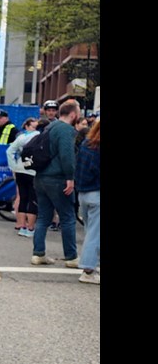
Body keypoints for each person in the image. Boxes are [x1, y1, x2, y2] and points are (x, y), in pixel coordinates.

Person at [30, 99, 81, 267]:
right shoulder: (66, 130)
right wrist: (70, 178)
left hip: (41, 177)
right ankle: (71, 256)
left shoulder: (50, 127)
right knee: (67, 217)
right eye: (78, 112)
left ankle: (38, 253)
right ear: (73, 114)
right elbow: (67, 156)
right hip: (58, 178)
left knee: (43, 217)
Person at [75, 119, 100, 284]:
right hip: (97, 194)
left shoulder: (86, 144)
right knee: (94, 234)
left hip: (84, 193)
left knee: (90, 231)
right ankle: (88, 270)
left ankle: (90, 264)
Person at [5, 117, 39, 237]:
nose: (36, 129)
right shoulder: (38, 137)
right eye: (35, 126)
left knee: (23, 197)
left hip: (20, 169)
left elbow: (9, 151)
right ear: (28, 126)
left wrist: (13, 166)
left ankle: (22, 225)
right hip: (33, 171)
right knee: (32, 199)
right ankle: (30, 228)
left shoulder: (21, 137)